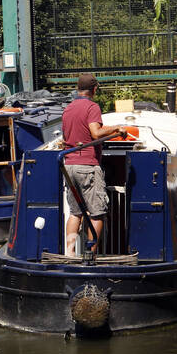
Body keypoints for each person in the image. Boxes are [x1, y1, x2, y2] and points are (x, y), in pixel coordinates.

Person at [61, 73, 125, 254]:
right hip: (87, 166)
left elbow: (66, 138)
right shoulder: (92, 107)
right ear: (94, 89)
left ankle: (70, 253)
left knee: (76, 212)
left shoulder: (68, 109)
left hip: (69, 165)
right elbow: (95, 133)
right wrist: (117, 128)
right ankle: (91, 254)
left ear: (77, 89)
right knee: (97, 213)